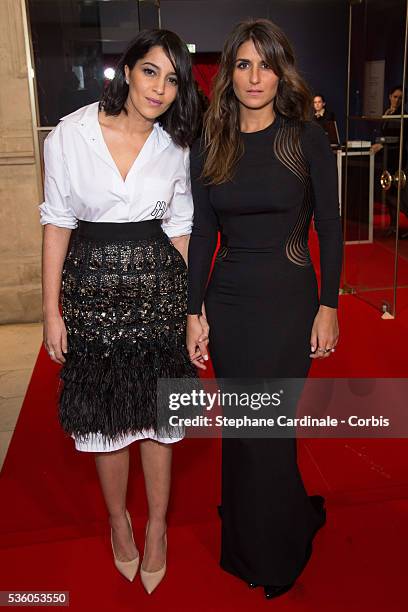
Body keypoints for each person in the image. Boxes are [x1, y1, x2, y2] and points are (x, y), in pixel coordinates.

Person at [186, 19, 343, 600]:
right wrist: (192, 309)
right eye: (245, 64)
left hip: (288, 299)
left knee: (268, 428)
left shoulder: (306, 139)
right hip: (228, 304)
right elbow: (204, 232)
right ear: (230, 72)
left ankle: (279, 549)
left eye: (267, 64)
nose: (256, 77)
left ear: (283, 72)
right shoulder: (211, 141)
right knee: (245, 428)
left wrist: (328, 305)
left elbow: (328, 224)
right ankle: (253, 537)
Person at [40, 29, 200, 593]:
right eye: (151, 71)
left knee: (160, 417)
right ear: (127, 69)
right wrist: (51, 310)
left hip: (159, 294)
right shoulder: (70, 134)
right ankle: (119, 523)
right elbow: (57, 221)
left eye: (173, 79)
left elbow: (181, 228)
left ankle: (157, 527)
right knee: (106, 424)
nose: (160, 88)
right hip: (93, 299)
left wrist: (192, 310)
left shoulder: (175, 145)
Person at [371, 85, 408, 236]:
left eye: (400, 98)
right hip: (386, 156)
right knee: (388, 192)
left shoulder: (403, 115)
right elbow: (384, 134)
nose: (397, 100)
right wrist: (379, 143)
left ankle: (397, 225)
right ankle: (393, 225)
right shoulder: (387, 112)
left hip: (396, 157)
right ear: (389, 96)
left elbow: (399, 138)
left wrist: (382, 143)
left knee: (396, 193)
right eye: (395, 96)